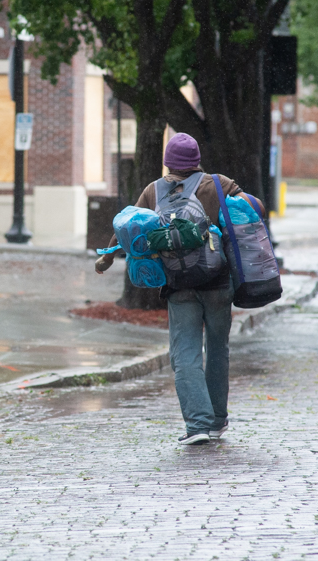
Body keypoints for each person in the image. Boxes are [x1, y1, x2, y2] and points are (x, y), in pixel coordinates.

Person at [95, 132, 249, 445]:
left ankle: (198, 425)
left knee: (185, 353)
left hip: (179, 285)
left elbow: (127, 226)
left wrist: (106, 258)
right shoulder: (218, 184)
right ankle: (217, 421)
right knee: (217, 349)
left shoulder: (154, 191)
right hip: (219, 282)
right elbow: (251, 208)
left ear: (167, 162)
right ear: (197, 160)